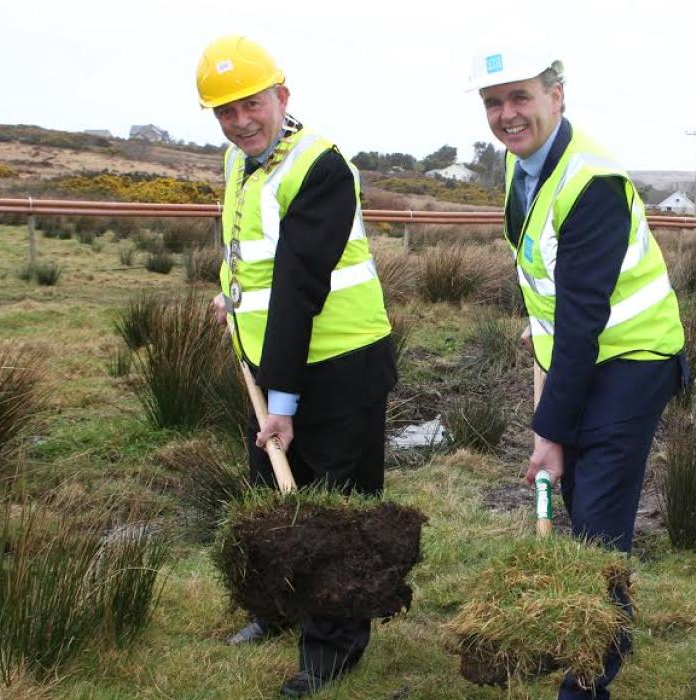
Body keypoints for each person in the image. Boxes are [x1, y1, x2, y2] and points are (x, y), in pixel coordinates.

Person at [469, 47, 687, 699]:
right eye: (493, 102)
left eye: (521, 97)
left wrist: (547, 435)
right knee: (578, 503)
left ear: (557, 96)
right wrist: (552, 417)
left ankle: (589, 678)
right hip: (579, 353)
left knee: (597, 520)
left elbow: (584, 317)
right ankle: (602, 626)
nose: (507, 115)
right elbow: (547, 296)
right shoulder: (522, 169)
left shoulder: (590, 182)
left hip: (634, 359)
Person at [195, 35, 396, 698]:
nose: (240, 120)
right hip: (269, 365)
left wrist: (283, 403)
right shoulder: (240, 161)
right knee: (273, 501)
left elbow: (303, 279)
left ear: (283, 95)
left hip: (340, 366)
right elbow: (250, 248)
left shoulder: (320, 167)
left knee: (334, 512)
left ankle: (332, 647)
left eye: (250, 104)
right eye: (224, 111)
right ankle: (275, 610)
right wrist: (234, 293)